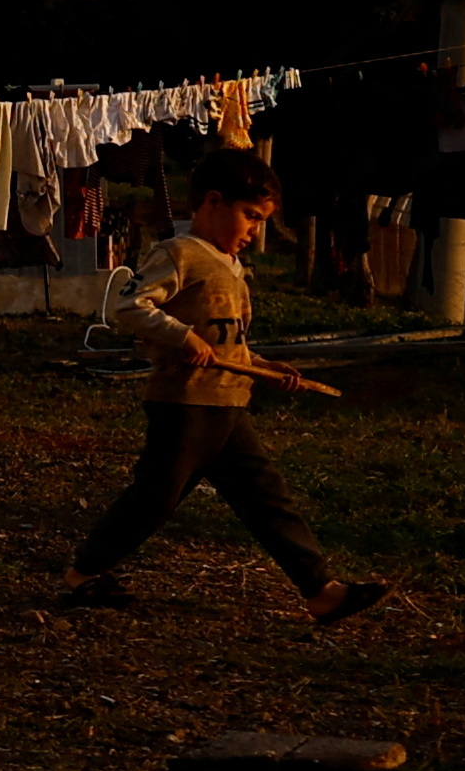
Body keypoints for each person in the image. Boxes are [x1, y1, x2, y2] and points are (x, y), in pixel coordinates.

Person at [65, 147, 387, 622]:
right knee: (155, 497)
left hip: (227, 403)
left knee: (266, 497)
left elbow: (228, 345)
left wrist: (265, 366)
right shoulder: (178, 254)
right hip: (185, 404)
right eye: (249, 217)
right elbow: (128, 308)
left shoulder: (233, 268)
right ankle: (83, 574)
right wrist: (183, 336)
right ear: (212, 202)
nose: (254, 231)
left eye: (260, 221)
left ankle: (322, 591)